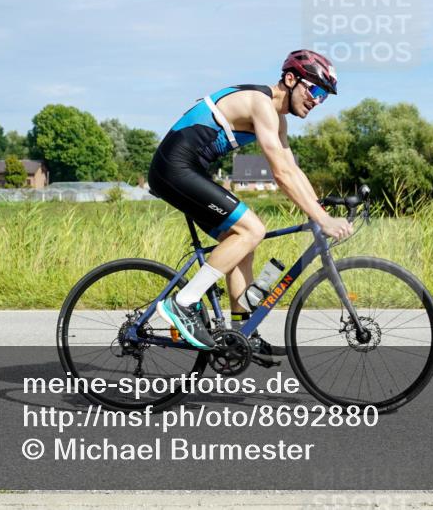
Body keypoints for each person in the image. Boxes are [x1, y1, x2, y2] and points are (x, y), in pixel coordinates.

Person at [148, 50, 354, 354]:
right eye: (315, 91)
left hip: (190, 170)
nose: (317, 101)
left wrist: (319, 210)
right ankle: (183, 303)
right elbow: (281, 174)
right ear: (290, 79)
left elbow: (293, 169)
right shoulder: (261, 104)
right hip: (173, 169)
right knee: (252, 229)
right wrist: (322, 220)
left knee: (242, 242)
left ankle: (241, 334)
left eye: (324, 97)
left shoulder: (278, 120)